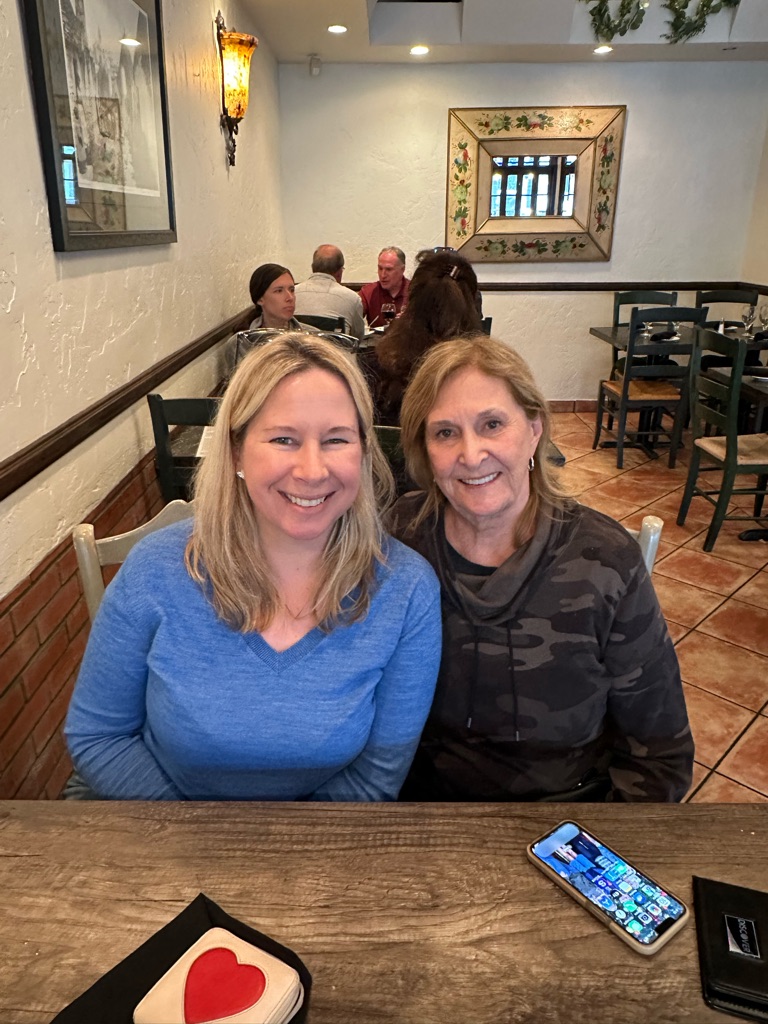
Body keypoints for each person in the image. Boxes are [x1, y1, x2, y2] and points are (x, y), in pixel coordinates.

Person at [65, 334, 442, 800]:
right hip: (162, 827)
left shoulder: (407, 590)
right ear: (236, 451)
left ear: (364, 451)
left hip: (324, 836)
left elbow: (376, 774)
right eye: (284, 439)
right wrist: (193, 835)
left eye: (336, 439)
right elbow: (100, 737)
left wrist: (289, 843)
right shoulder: (153, 570)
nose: (311, 470)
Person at [390, 336, 694, 802]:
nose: (471, 455)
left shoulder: (605, 562)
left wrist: (588, 841)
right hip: (421, 815)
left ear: (534, 430)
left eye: (492, 424)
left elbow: (660, 758)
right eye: (445, 433)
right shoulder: (397, 539)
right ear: (424, 450)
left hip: (565, 818)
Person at [362, 250, 481, 426]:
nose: (383, 274)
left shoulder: (377, 366)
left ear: (411, 301)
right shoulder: (484, 374)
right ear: (473, 305)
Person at [294, 244, 365, 341]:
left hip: (297, 349)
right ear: (339, 272)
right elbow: (357, 338)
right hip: (335, 350)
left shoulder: (292, 293)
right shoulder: (352, 298)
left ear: (312, 267)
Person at [360, 246, 410, 328]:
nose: (383, 275)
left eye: (389, 269)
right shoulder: (368, 292)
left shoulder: (416, 291)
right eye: (380, 268)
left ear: (402, 269)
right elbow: (352, 319)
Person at [248, 263, 307, 331]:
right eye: (279, 291)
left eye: (292, 290)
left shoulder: (311, 336)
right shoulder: (243, 336)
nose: (290, 298)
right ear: (260, 299)